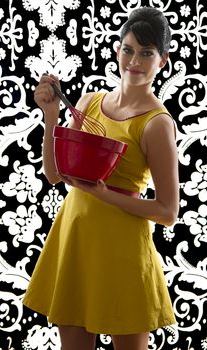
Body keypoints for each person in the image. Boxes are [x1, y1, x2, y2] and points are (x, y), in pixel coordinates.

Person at [23, 6, 179, 350]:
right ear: (117, 49)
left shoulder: (156, 123)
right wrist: (52, 119)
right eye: (128, 49)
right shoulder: (90, 102)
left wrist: (104, 194)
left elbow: (168, 211)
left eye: (147, 53)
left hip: (123, 251)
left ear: (162, 61)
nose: (134, 61)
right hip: (76, 239)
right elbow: (54, 174)